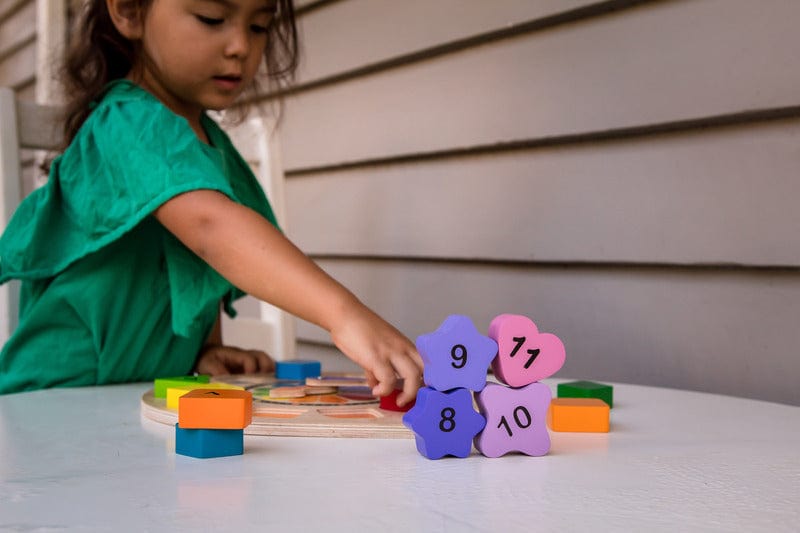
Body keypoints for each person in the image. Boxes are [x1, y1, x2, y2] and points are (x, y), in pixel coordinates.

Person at [0, 0, 423, 404]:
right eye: (210, 17)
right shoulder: (127, 121)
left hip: (133, 403)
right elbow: (209, 230)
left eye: (258, 26)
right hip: (54, 400)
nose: (241, 46)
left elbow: (197, 265)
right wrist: (344, 314)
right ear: (130, 11)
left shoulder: (209, 145)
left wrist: (204, 352)